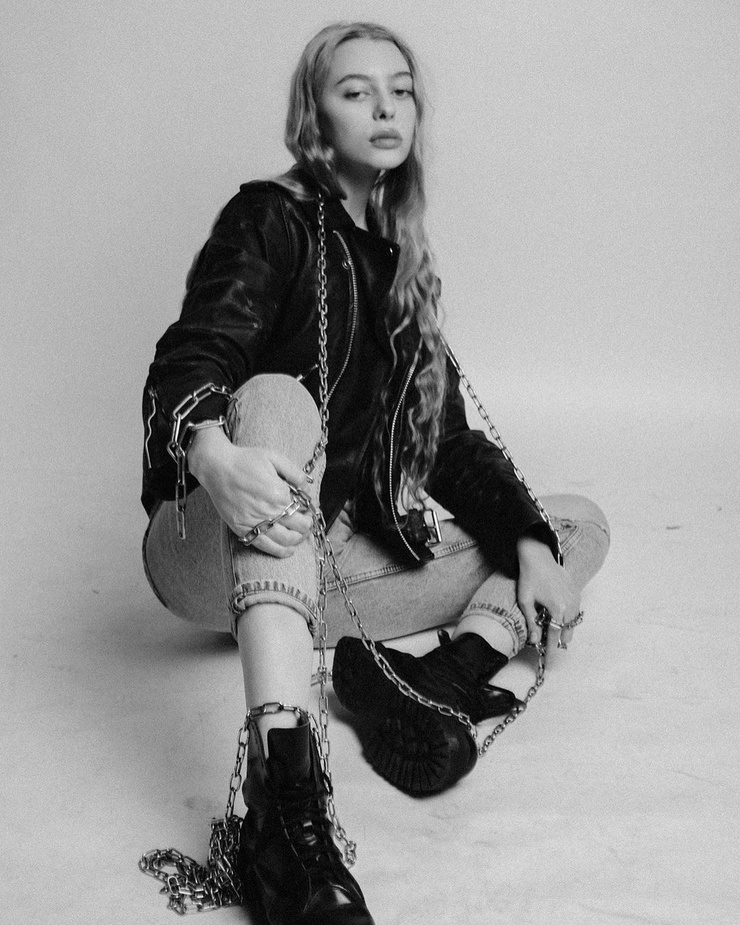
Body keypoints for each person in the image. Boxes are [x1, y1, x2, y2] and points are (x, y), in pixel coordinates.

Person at [141, 21, 610, 925]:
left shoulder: (399, 257)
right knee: (277, 396)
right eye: (356, 91)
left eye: (400, 90)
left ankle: (440, 676)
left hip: (320, 565)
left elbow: (447, 445)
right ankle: (285, 806)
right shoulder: (270, 216)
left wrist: (527, 544)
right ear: (315, 115)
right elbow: (192, 352)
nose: (385, 107)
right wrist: (211, 453)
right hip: (211, 540)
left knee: (570, 522)